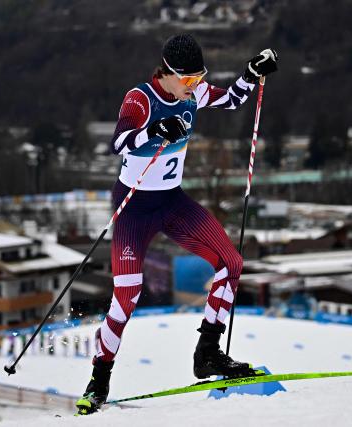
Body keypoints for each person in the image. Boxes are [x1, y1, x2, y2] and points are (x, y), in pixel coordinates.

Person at [76, 33, 278, 415]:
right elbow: (119, 143)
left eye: (198, 78)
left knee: (231, 264)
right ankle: (98, 379)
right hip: (135, 207)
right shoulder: (140, 99)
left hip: (171, 201)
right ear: (167, 74)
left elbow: (233, 99)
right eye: (188, 80)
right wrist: (153, 131)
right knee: (127, 295)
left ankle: (208, 353)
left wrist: (252, 73)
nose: (195, 87)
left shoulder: (193, 94)